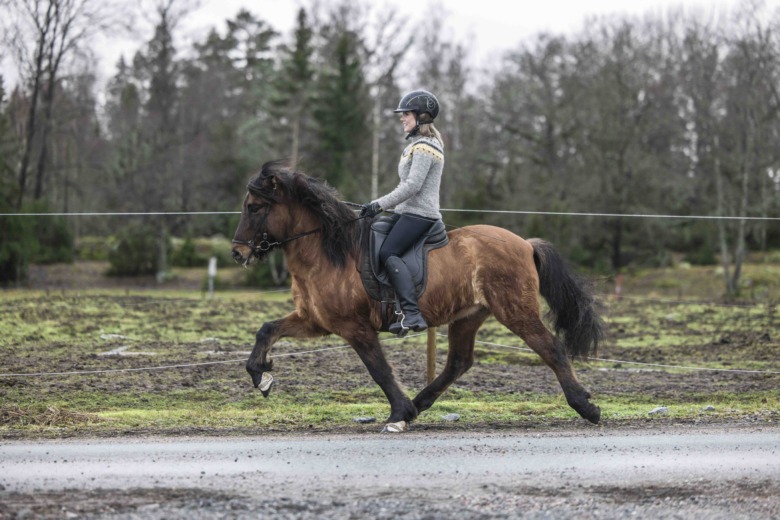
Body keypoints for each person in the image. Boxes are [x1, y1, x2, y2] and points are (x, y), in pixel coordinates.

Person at [361, 89, 444, 336]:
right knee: (374, 232)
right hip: (406, 211)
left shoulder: (425, 147)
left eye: (406, 114)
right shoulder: (415, 146)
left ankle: (412, 313)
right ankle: (393, 307)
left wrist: (379, 205)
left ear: (422, 116)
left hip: (421, 214)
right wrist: (377, 206)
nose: (402, 118)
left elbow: (412, 186)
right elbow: (403, 186)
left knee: (389, 251)